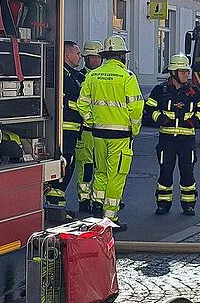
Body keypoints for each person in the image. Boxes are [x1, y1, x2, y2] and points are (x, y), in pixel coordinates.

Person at [76, 34, 144, 230]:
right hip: (120, 136)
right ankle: (110, 218)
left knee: (100, 172)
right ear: (122, 56)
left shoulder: (93, 76)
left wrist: (92, 121)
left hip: (98, 134)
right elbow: (136, 108)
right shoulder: (127, 77)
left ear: (105, 56)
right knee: (116, 176)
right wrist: (134, 129)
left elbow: (82, 104)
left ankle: (97, 209)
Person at [145, 53, 200, 215]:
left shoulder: (194, 91)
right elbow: (150, 108)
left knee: (187, 173)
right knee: (165, 172)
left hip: (187, 140)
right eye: (182, 71)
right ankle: (163, 204)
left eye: (187, 71)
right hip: (166, 140)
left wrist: (195, 120)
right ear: (173, 73)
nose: (186, 74)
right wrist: (159, 118)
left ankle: (188, 204)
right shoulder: (160, 90)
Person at [75, 41, 102, 214]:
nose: (96, 60)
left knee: (102, 167)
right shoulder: (79, 78)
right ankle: (84, 200)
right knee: (86, 167)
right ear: (86, 58)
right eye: (92, 57)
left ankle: (99, 200)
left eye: (98, 57)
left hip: (102, 130)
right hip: (85, 129)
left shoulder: (103, 77)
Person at [61, 40, 84, 200]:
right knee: (66, 164)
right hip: (66, 128)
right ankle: (56, 201)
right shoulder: (64, 75)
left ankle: (57, 201)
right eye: (77, 54)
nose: (80, 57)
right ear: (67, 55)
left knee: (68, 164)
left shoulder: (72, 75)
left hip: (71, 129)